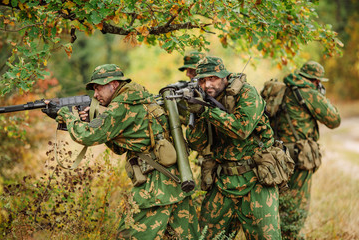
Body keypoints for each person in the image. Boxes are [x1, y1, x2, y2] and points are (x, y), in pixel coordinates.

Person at [45, 64, 200, 239]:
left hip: (154, 189)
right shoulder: (139, 97)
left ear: (114, 84)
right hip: (175, 183)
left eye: (98, 88)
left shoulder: (122, 106)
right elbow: (120, 145)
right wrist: (94, 120)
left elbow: (88, 136)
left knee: (128, 236)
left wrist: (67, 116)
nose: (95, 95)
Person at [185, 56, 282, 239]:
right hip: (223, 181)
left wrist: (206, 111)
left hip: (256, 180)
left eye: (212, 78)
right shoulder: (203, 98)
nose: (207, 85)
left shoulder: (247, 93)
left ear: (225, 77)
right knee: (206, 236)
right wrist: (196, 113)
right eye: (203, 80)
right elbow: (197, 143)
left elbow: (242, 129)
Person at [267, 61, 341, 238]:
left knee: (279, 200)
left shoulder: (284, 89)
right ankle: (289, 235)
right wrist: (320, 96)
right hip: (299, 157)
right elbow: (334, 120)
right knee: (297, 205)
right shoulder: (308, 92)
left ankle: (277, 233)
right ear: (316, 80)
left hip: (277, 155)